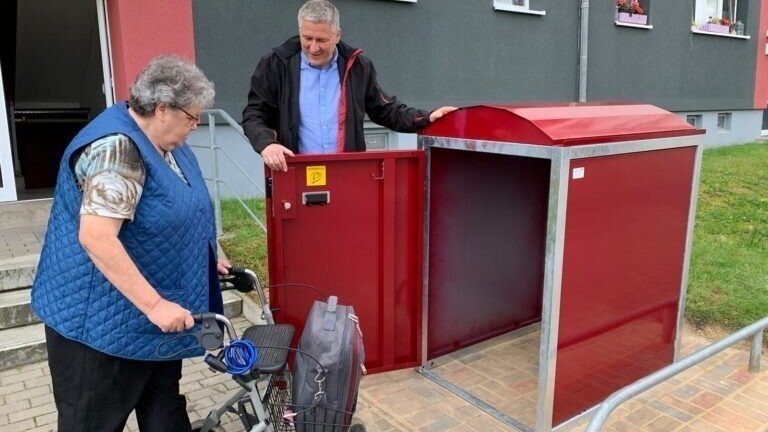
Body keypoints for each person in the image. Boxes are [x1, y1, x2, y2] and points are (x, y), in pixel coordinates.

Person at [31, 55, 228, 432]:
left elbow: (180, 207)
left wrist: (204, 256)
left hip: (152, 323)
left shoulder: (167, 141)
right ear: (162, 108)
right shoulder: (117, 151)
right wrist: (154, 305)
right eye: (191, 117)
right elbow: (96, 236)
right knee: (93, 421)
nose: (195, 125)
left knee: (165, 414)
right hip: (100, 326)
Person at [242, 0, 457, 172]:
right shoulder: (275, 64)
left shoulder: (358, 67)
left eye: (321, 40)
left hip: (347, 171)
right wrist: (267, 144)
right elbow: (254, 114)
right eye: (307, 38)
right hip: (293, 171)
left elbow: (385, 109)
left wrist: (427, 118)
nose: (313, 47)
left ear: (337, 35)